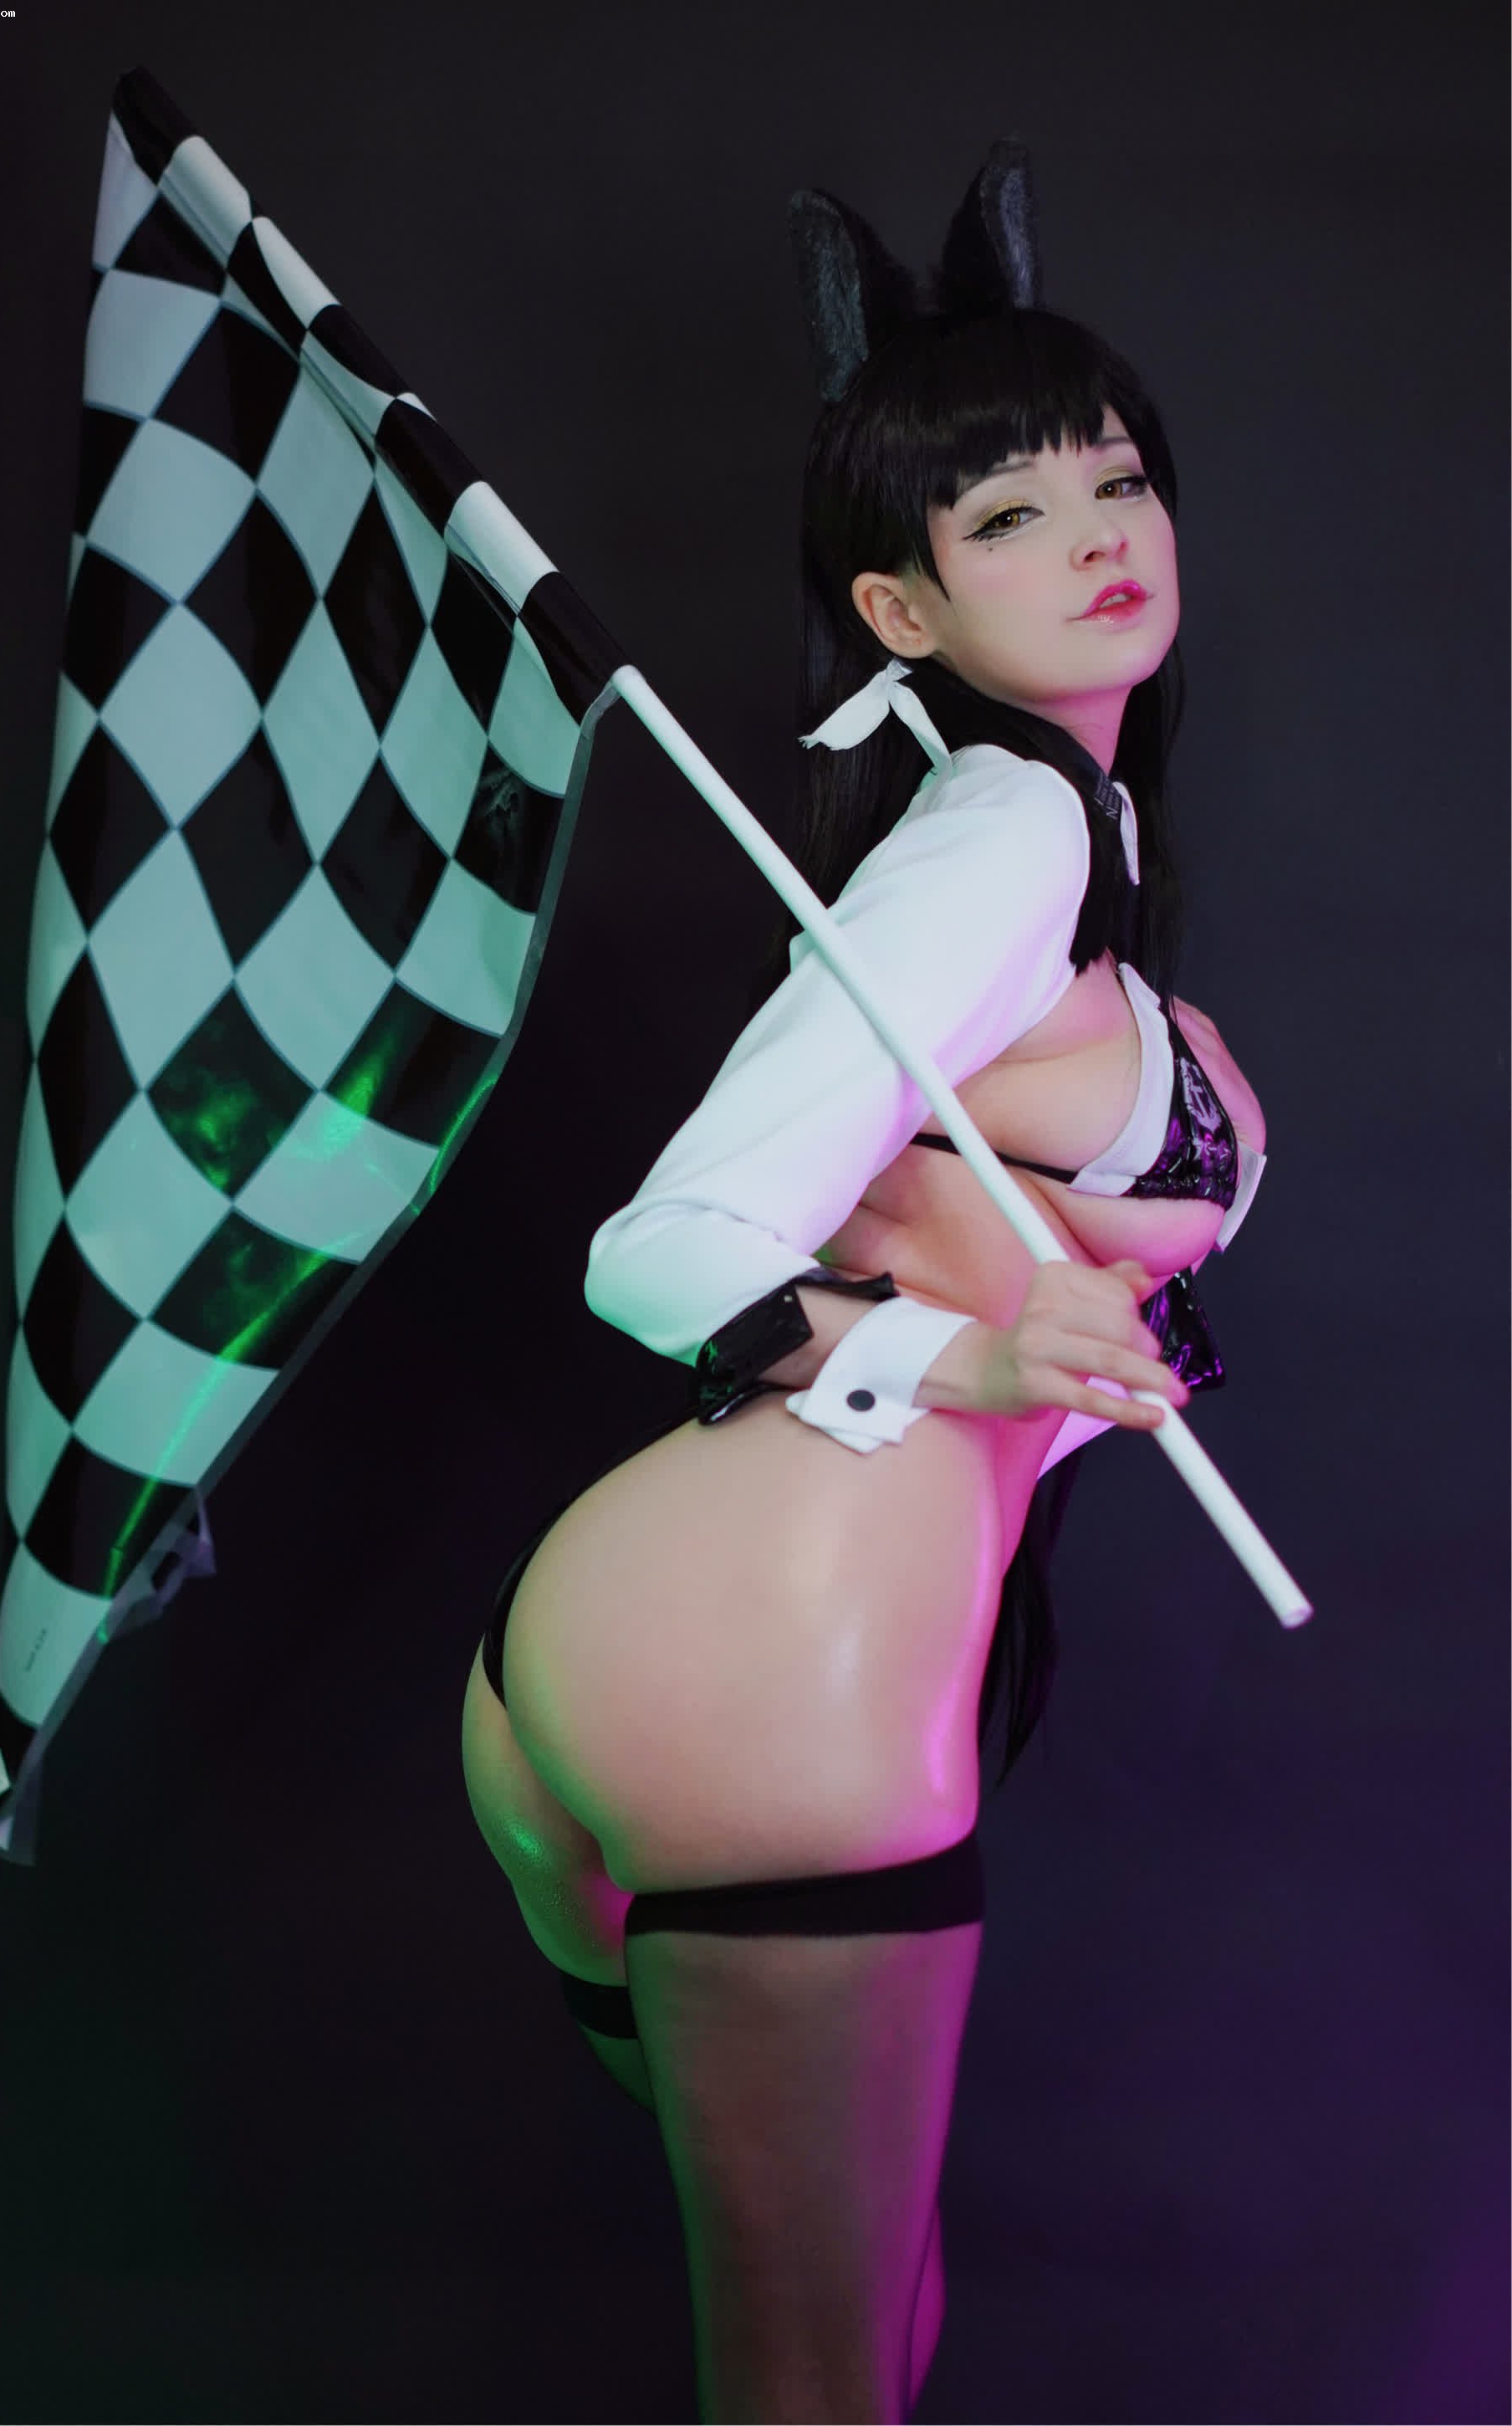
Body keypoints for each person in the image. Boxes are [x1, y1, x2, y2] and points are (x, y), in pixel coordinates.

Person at [460, 146, 1268, 2423]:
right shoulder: (1004, 832)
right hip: (783, 1657)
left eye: (1116, 477)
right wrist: (986, 1353)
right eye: (1010, 512)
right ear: (901, 609)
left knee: (853, 2354)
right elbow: (669, 1246)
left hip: (710, 1650)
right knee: (822, 2387)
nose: (1098, 532)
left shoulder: (1062, 831)